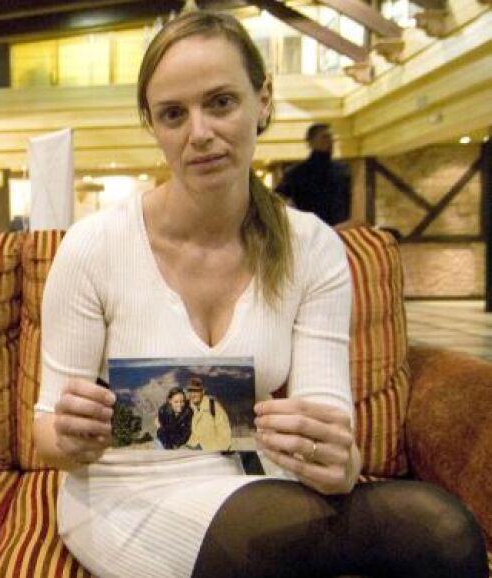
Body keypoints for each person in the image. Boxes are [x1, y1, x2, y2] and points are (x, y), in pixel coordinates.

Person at [31, 10, 487, 578]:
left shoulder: (311, 248)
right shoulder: (94, 247)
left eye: (221, 102)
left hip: (260, 481)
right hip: (124, 492)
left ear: (262, 101)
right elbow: (47, 434)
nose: (199, 132)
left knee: (443, 531)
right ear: (153, 125)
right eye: (174, 114)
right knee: (272, 544)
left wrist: (336, 458)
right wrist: (71, 436)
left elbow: (331, 441)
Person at [276, 123, 351, 226]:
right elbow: (278, 198)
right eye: (325, 137)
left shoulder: (342, 170)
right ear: (311, 142)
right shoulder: (297, 173)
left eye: (331, 137)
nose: (330, 141)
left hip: (338, 229)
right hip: (309, 229)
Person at [184, 377, 232, 451]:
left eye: (196, 391)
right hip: (187, 451)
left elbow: (225, 439)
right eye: (190, 391)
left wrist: (203, 447)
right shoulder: (185, 407)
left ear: (203, 391)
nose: (192, 394)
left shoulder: (214, 408)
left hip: (210, 452)